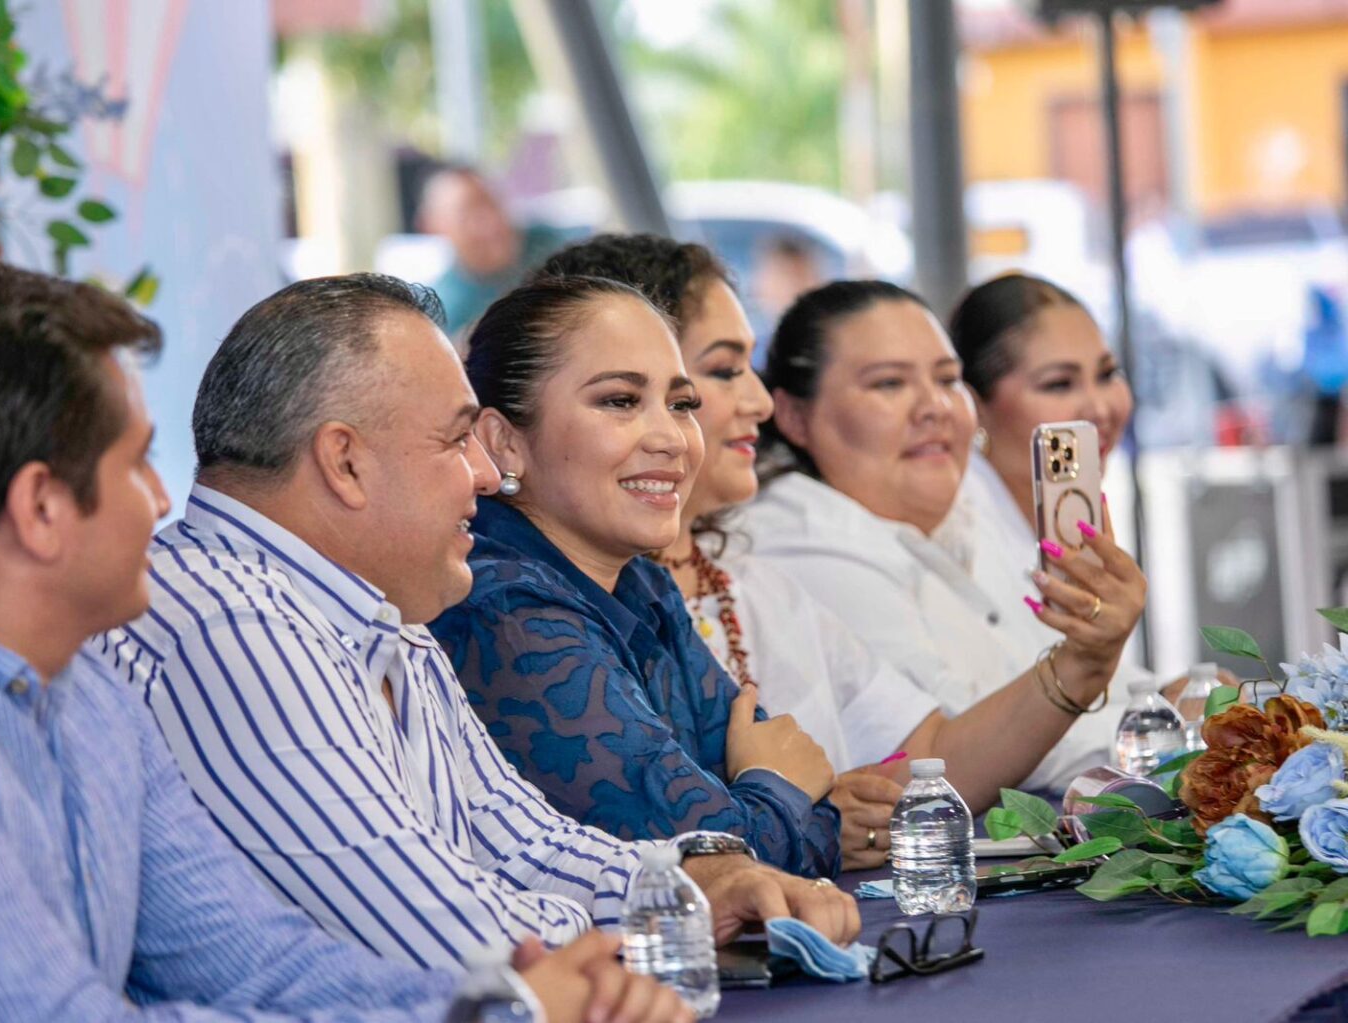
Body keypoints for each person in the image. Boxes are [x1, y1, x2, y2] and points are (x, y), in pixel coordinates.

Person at [0, 262, 683, 1023]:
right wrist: (506, 1008)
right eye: (136, 463)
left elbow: (258, 960)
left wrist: (501, 1002)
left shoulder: (85, 693)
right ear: (42, 508)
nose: (163, 502)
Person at [94, 273, 860, 974]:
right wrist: (670, 916)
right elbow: (431, 928)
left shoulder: (386, 618)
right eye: (457, 439)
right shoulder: (231, 619)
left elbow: (522, 843)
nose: (488, 475)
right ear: (345, 461)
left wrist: (701, 881)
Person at [533, 236, 1159, 846]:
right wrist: (802, 816)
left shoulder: (747, 581)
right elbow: (605, 847)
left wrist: (1083, 663)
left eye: (948, 379)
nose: (757, 401)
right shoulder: (548, 602)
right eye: (722, 371)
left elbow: (928, 759)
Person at [429, 275, 853, 886]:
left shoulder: (641, 586)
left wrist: (767, 796)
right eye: (620, 401)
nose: (672, 439)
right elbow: (707, 871)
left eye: (681, 405)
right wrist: (774, 785)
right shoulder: (502, 609)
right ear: (505, 442)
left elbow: (820, 815)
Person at [741, 280, 1149, 792]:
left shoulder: (959, 510)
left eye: (948, 378)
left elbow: (1048, 675)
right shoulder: (799, 539)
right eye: (890, 383)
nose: (934, 406)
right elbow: (954, 751)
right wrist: (1139, 711)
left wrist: (1167, 700)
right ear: (794, 416)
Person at [418, 165, 566, 336]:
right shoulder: (444, 312)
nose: (491, 224)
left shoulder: (553, 244)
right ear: (432, 227)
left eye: (493, 203)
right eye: (468, 215)